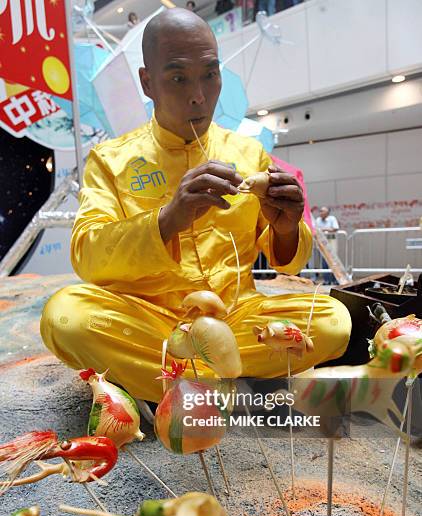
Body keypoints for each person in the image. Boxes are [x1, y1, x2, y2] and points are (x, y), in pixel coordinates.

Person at [40, 9, 351, 412]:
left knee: (332, 320)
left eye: (210, 74)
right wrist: (168, 219)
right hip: (150, 321)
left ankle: (173, 387)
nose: (199, 96)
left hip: (237, 315)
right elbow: (87, 255)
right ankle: (231, 387)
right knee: (65, 317)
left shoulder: (248, 153)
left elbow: (287, 263)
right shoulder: (111, 159)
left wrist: (288, 228)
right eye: (178, 77)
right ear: (147, 82)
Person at [315, 206, 339, 284]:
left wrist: (323, 229)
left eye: (322, 211)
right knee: (324, 262)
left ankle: (335, 280)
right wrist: (326, 229)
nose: (320, 213)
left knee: (333, 262)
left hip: (331, 242)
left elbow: (335, 228)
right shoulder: (318, 220)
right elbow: (315, 229)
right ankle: (327, 280)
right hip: (322, 243)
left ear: (327, 212)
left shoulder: (332, 218)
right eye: (320, 211)